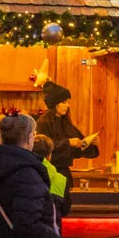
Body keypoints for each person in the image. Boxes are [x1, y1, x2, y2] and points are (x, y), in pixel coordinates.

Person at [35, 81, 99, 209]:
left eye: (68, 102)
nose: (67, 105)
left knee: (64, 208)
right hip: (49, 173)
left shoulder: (67, 123)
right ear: (55, 103)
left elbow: (78, 148)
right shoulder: (43, 122)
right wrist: (68, 142)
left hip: (64, 173)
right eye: (64, 102)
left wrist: (89, 144)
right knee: (54, 208)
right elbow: (41, 147)